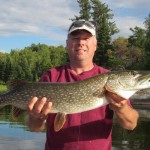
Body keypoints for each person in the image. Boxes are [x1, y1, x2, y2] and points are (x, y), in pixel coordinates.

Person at [25, 20, 139, 150]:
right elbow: (34, 127)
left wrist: (122, 107)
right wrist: (36, 118)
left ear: (95, 45)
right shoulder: (51, 76)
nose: (81, 43)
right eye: (76, 38)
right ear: (67, 44)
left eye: (86, 38)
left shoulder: (108, 78)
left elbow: (131, 124)